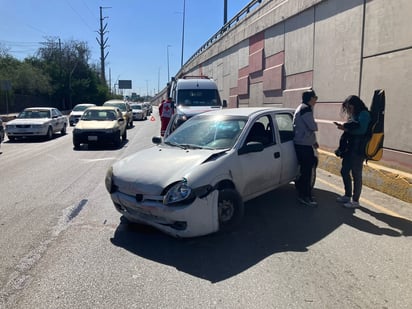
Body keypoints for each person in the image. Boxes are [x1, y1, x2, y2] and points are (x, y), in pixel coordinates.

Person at [335, 95, 371, 208]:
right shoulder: (355, 115)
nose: (349, 110)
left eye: (349, 107)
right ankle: (347, 195)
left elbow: (361, 130)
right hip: (350, 148)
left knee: (356, 174)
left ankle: (355, 201)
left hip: (358, 148)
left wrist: (346, 128)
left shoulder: (364, 114)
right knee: (344, 171)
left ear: (355, 105)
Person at [293, 89, 319, 207]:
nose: (316, 100)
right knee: (306, 172)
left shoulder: (301, 108)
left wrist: (314, 142)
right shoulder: (306, 109)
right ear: (310, 98)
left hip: (303, 143)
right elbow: (312, 126)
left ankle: (303, 193)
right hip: (304, 145)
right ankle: (305, 196)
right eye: (315, 98)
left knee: (304, 170)